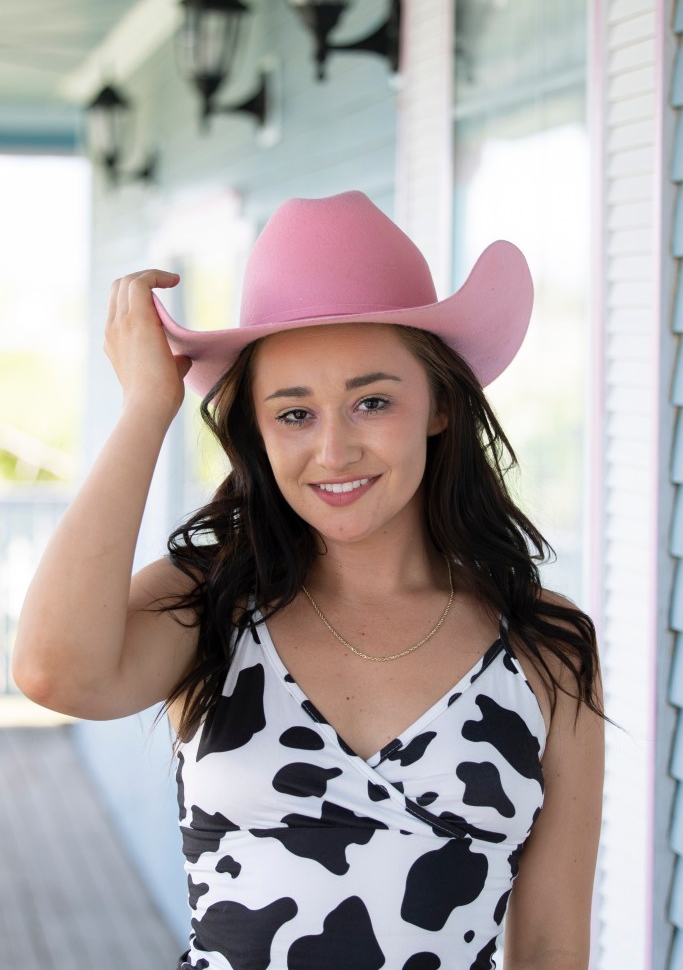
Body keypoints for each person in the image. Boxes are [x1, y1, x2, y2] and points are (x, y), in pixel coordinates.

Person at [13, 190, 604, 970]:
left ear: (438, 407)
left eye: (371, 401)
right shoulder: (212, 602)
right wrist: (146, 408)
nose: (333, 451)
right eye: (293, 414)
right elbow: (54, 673)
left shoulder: (543, 643)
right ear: (254, 430)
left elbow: (553, 945)